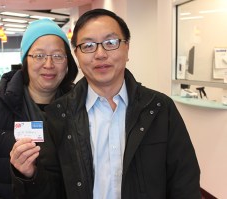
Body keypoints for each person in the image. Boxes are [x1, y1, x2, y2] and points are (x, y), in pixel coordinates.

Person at [11, 8, 201, 199]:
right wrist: (29, 175)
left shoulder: (160, 109)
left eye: (111, 43)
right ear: (76, 54)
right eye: (88, 45)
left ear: (127, 48)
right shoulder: (59, 115)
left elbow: (185, 182)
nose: (100, 54)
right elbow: (52, 191)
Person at [0, 18, 78, 199]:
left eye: (58, 56)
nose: (49, 64)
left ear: (67, 62)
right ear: (25, 60)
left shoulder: (79, 108)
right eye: (39, 55)